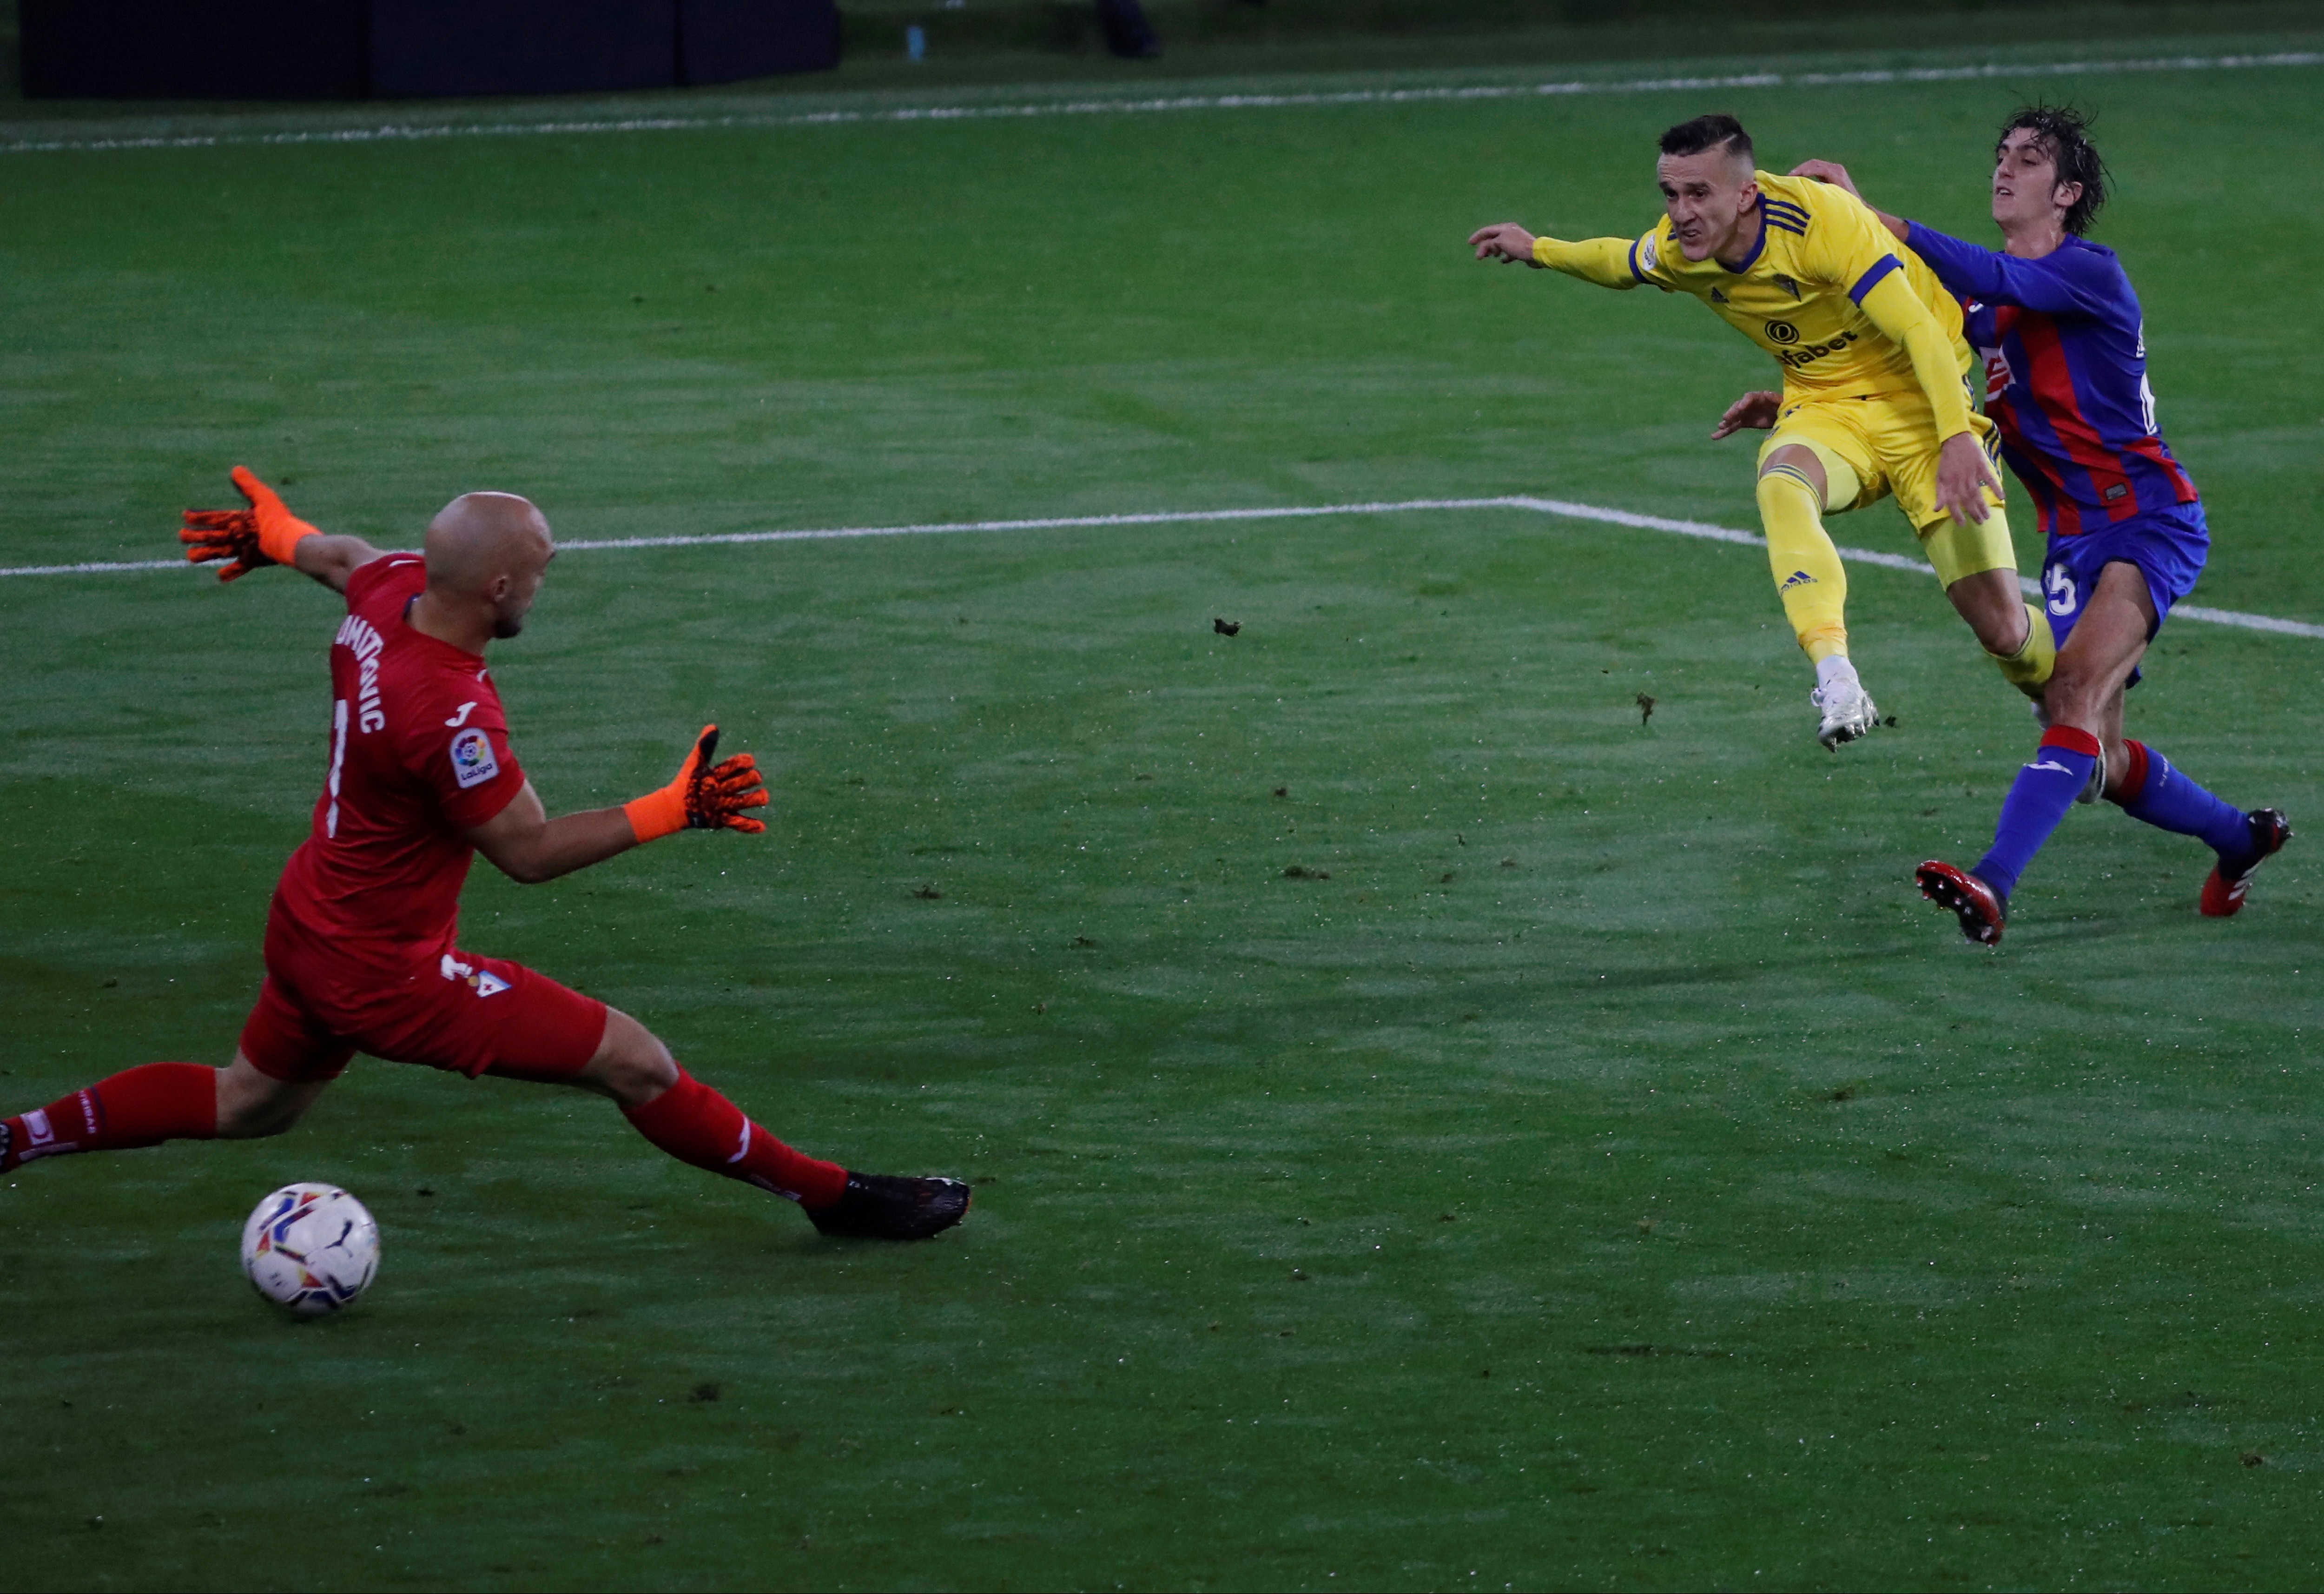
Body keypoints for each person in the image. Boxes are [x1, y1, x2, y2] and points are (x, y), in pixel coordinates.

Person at [0, 468, 971, 1239]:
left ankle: (17, 1138)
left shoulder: (390, 595)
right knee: (636, 1061)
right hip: (386, 970)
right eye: (541, 573)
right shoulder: (447, 711)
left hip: (311, 916)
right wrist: (673, 809)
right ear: (499, 586)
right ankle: (833, 1197)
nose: (543, 588)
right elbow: (530, 851)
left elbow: (340, 558)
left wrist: (276, 538)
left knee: (250, 1101)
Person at [1757, 108, 2289, 943]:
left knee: (2071, 692)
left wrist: (1864, 214)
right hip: (2074, 544)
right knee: (2098, 763)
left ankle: (1993, 883)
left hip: (2149, 520)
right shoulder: (1992, 311)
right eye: (2001, 155)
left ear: (2067, 192)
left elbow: (1991, 280)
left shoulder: (2089, 272)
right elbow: (1919, 350)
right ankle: (2241, 838)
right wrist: (1808, 406)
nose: (2005, 169)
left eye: (2030, 160)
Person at [1471, 113, 2054, 750]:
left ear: (1746, 193)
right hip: (1826, 410)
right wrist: (1538, 250)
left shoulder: (1822, 222)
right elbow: (1619, 259)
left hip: (1925, 402)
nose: (1682, 213)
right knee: (1781, 482)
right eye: (1671, 195)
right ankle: (1837, 678)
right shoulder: (1680, 250)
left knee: (2006, 635)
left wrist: (1957, 439)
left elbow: (1918, 332)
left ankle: (2075, 680)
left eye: (1699, 194)